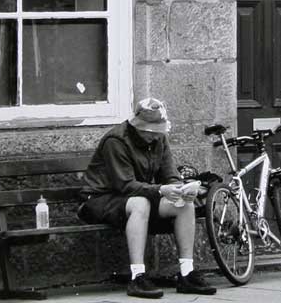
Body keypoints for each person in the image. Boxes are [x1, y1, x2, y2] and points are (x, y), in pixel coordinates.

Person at [79, 97, 217, 298]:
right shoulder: (116, 141)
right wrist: (161, 190)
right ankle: (138, 277)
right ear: (137, 126)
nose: (155, 136)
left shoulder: (158, 138)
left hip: (136, 195)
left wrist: (183, 188)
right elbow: (124, 185)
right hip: (99, 199)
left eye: (158, 130)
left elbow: (169, 174)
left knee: (184, 205)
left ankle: (187, 273)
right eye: (150, 131)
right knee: (140, 204)